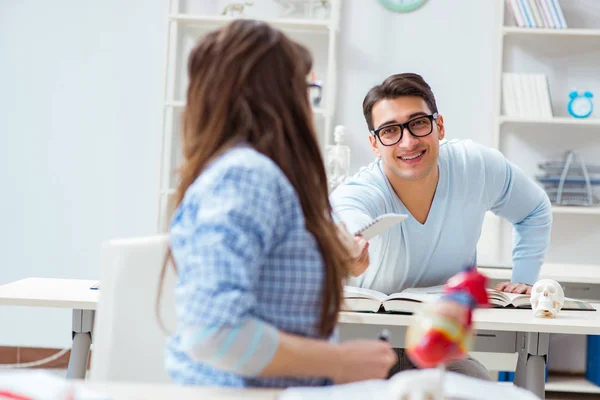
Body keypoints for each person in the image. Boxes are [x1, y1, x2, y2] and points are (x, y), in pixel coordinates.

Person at [159, 20, 397, 388]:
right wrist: (341, 361)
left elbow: (272, 285)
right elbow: (214, 332)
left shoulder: (259, 174)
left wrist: (333, 259)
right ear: (275, 96)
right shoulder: (246, 176)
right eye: (305, 88)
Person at [329, 73, 553, 378]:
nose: (408, 141)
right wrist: (348, 248)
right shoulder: (362, 189)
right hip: (366, 346)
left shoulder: (476, 166)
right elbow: (344, 217)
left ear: (440, 126)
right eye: (390, 131)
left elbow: (535, 210)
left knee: (477, 387)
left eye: (418, 123)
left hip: (442, 347)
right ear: (374, 143)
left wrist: (524, 279)